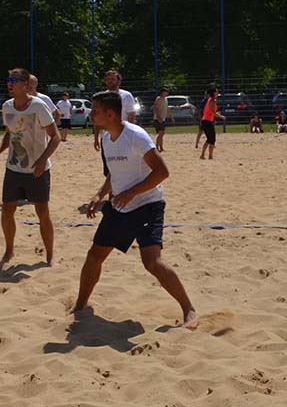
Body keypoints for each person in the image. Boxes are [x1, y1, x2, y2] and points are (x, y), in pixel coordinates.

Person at [73, 90, 198, 329]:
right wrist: (99, 195)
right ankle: (80, 305)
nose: (91, 114)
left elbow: (162, 172)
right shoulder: (107, 138)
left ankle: (189, 309)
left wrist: (131, 193)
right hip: (120, 207)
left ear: (110, 114)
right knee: (94, 256)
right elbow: (114, 174)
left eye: (95, 110)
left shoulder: (135, 136)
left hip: (147, 205)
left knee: (152, 262)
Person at [0, 67, 61, 265]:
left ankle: (50, 255)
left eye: (13, 81)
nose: (9, 84)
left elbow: (55, 137)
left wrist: (42, 160)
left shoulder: (38, 106)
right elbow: (9, 133)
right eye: (8, 80)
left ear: (24, 84)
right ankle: (9, 251)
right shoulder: (7, 106)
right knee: (7, 209)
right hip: (14, 167)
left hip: (37, 169)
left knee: (42, 212)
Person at [92, 68, 136, 151]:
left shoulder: (127, 96)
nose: (110, 81)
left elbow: (131, 117)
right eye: (108, 79)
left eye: (112, 79)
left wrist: (130, 134)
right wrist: (96, 138)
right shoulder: (102, 97)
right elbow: (97, 119)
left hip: (122, 134)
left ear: (119, 81)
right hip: (106, 136)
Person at [200, 86, 225, 160]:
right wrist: (220, 116)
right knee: (212, 139)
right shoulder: (213, 100)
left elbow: (207, 111)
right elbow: (212, 112)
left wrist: (215, 115)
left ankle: (203, 155)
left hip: (205, 120)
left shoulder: (209, 99)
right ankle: (210, 156)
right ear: (213, 93)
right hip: (207, 121)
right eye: (216, 91)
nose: (218, 92)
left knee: (209, 139)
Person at [152, 87, 174, 152]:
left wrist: (171, 117)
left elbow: (167, 109)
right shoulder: (159, 99)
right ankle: (157, 147)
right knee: (160, 133)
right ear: (162, 92)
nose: (167, 93)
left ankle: (161, 147)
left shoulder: (165, 99)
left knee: (162, 133)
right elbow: (155, 108)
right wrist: (158, 117)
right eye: (165, 92)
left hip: (163, 118)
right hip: (158, 119)